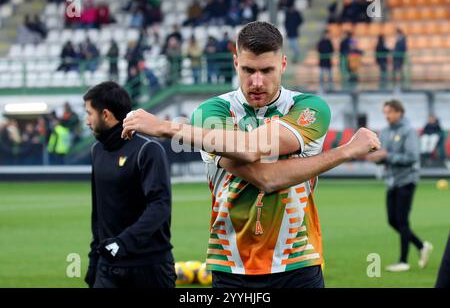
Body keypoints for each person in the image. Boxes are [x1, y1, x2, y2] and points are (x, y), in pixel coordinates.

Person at [121, 21, 380, 288]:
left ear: (283, 64)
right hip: (230, 265)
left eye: (267, 70)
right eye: (248, 70)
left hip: (298, 263)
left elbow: (249, 151)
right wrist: (345, 151)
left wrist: (167, 128)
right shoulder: (211, 111)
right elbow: (263, 175)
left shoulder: (309, 108)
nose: (257, 82)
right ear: (235, 63)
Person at [83, 81, 175, 288]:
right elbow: (98, 214)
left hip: (150, 266)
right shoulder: (97, 151)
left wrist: (123, 243)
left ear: (105, 114)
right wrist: (94, 260)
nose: (87, 121)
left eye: (89, 113)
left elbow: (160, 206)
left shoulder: (148, 150)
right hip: (109, 265)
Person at [366, 99, 433, 272]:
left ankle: (403, 261)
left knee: (402, 220)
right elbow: (384, 157)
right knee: (392, 220)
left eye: (389, 112)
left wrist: (388, 156)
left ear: (399, 112)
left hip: (407, 180)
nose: (386, 116)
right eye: (385, 112)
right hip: (392, 180)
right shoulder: (386, 132)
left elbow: (412, 157)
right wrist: (377, 158)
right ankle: (421, 246)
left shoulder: (409, 131)